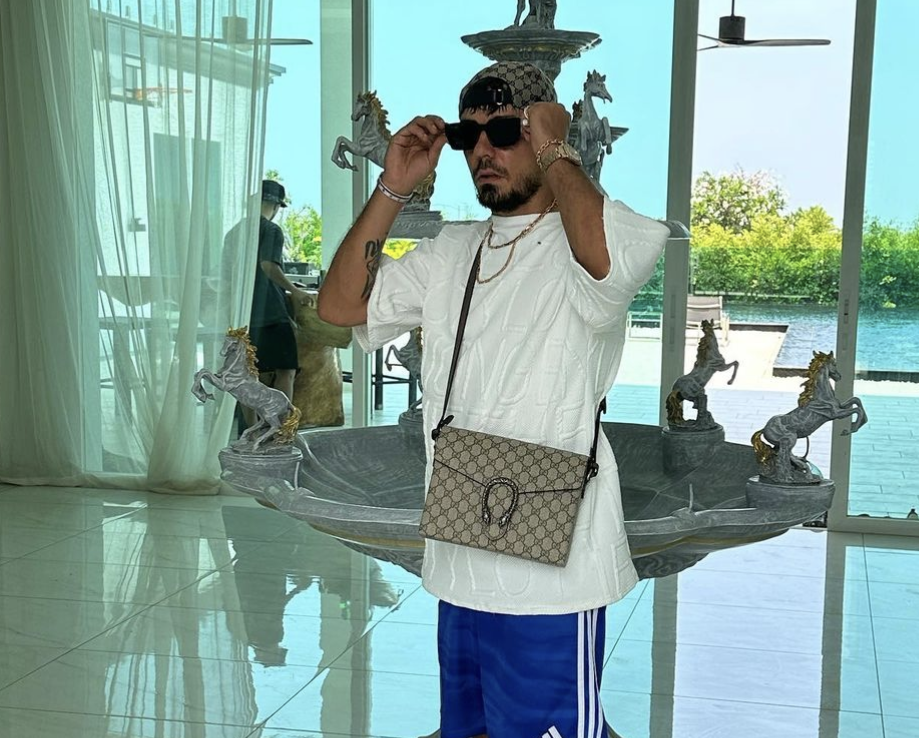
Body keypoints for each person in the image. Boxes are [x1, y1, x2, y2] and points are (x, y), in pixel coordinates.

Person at [318, 61, 668, 738]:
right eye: (466, 135)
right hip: (463, 552)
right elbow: (339, 306)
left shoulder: (586, 241)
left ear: (540, 132)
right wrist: (393, 185)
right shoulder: (452, 251)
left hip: (554, 572)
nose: (483, 148)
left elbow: (611, 263)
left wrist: (557, 143)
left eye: (504, 131)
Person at [229, 179, 314, 409]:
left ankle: (250, 425)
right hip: (271, 313)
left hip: (242, 314)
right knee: (286, 370)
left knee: (249, 374)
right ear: (276, 206)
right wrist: (295, 290)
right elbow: (268, 265)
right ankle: (281, 424)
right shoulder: (271, 230)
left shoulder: (234, 233)